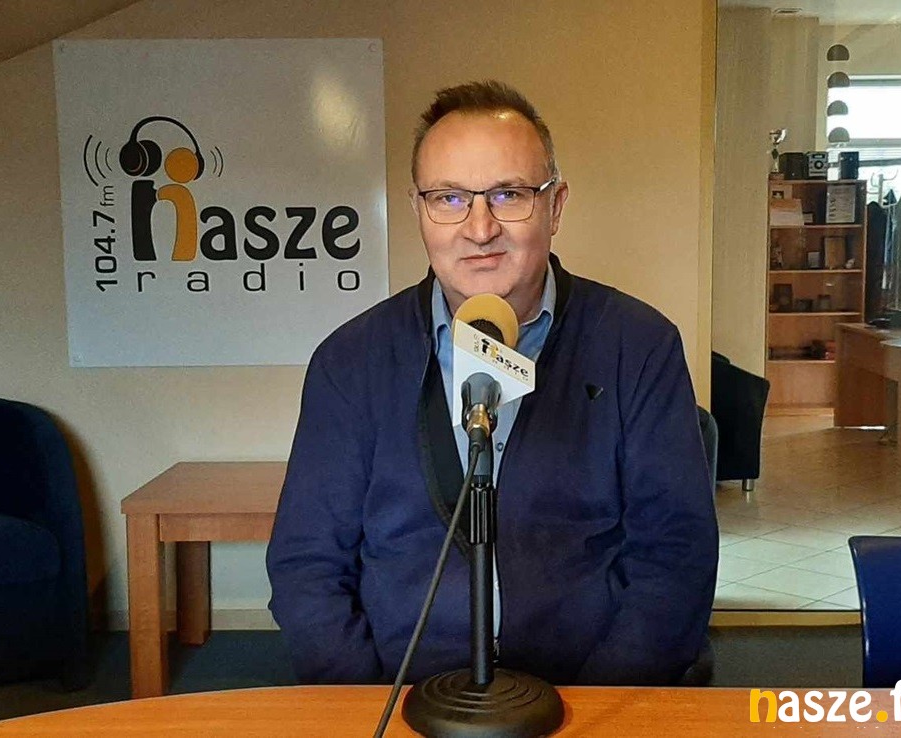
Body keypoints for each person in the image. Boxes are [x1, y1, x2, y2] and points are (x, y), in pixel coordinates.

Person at [266, 80, 718, 686]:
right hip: (403, 698)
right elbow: (307, 566)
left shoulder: (637, 345)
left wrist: (602, 710)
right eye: (449, 198)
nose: (479, 229)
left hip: (585, 698)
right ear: (419, 210)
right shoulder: (350, 361)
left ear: (555, 206)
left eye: (508, 195)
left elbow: (677, 555)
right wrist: (366, 708)